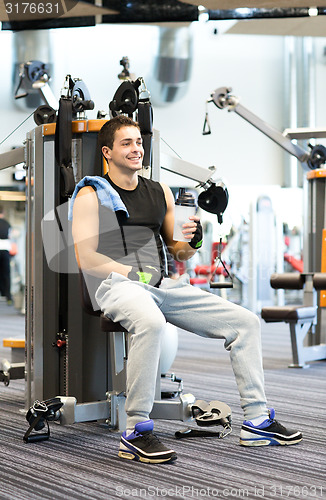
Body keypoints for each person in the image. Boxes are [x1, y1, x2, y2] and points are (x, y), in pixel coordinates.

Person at [71, 115, 302, 464]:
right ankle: (136, 430)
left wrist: (193, 240)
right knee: (151, 323)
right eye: (126, 143)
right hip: (116, 285)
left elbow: (178, 251)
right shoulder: (91, 194)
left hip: (160, 284)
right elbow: (86, 257)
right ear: (107, 151)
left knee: (245, 321)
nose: (136, 149)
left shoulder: (157, 191)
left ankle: (256, 420)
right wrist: (136, 273)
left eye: (138, 141)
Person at [0, 205, 12, 305]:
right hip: (5, 251)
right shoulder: (7, 224)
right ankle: (7, 296)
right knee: (6, 274)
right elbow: (10, 236)